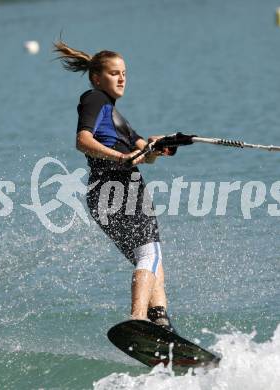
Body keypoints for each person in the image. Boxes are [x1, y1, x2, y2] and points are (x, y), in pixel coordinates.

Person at [54, 41, 176, 332]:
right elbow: (82, 140)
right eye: (114, 73)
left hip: (103, 194)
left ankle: (160, 321)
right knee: (150, 255)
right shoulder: (95, 99)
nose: (122, 78)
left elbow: (145, 155)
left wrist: (160, 146)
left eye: (124, 73)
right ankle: (138, 319)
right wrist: (122, 157)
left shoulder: (118, 120)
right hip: (120, 189)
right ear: (97, 78)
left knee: (149, 257)